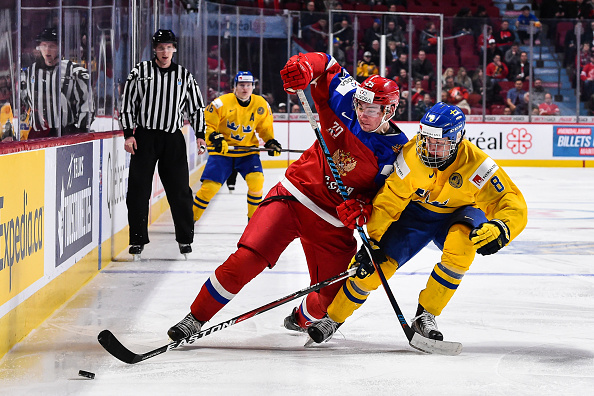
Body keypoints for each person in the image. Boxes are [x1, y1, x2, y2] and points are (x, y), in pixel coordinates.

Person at [167, 52, 409, 342]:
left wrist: (365, 208)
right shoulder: (346, 98)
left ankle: (301, 317)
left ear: (390, 110)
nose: (363, 114)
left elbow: (389, 200)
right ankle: (195, 318)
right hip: (293, 196)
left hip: (333, 222)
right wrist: (305, 65)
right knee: (246, 259)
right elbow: (328, 64)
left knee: (332, 300)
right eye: (360, 106)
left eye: (372, 110)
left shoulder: (397, 153)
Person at [306, 102, 528, 344]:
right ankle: (334, 317)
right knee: (376, 267)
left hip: (460, 212)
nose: (430, 149)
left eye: (440, 144)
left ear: (458, 140)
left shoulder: (478, 165)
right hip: (416, 215)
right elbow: (389, 200)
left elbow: (510, 200)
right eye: (427, 140)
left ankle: (426, 315)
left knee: (462, 248)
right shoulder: (412, 156)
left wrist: (502, 227)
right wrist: (372, 241)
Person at [120, 29, 206, 257]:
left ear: (174, 49)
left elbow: (196, 107)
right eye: (161, 47)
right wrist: (129, 133)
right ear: (154, 49)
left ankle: (185, 239)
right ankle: (137, 240)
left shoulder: (185, 76)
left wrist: (200, 135)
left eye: (169, 47)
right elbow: (128, 103)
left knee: (180, 191)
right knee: (138, 191)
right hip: (145, 137)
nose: (165, 51)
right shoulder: (140, 72)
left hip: (172, 138)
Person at [192, 71, 280, 223]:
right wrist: (216, 138)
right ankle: (189, 221)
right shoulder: (221, 103)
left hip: (247, 153)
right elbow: (207, 125)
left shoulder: (261, 104)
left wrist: (270, 142)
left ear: (253, 87)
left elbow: (264, 129)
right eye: (241, 85)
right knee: (209, 188)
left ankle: (253, 223)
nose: (245, 88)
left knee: (256, 181)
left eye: (248, 85)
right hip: (222, 153)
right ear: (234, 87)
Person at [21, 27, 92, 139]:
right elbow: (22, 103)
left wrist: (81, 131)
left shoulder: (74, 72)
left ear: (60, 48)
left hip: (66, 134)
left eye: (52, 46)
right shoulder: (28, 73)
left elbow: (86, 105)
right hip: (37, 137)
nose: (47, 50)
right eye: (44, 46)